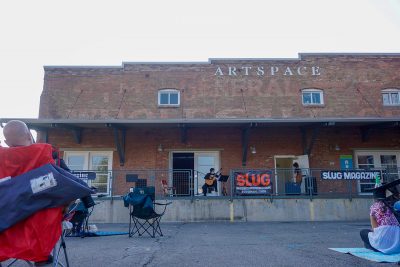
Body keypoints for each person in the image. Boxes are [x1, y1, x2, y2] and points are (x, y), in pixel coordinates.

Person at [359, 184, 400, 254]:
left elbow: (375, 229)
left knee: (363, 232)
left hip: (383, 242)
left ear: (374, 198)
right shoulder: (395, 204)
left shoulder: (373, 207)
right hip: (397, 243)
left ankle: (377, 248)